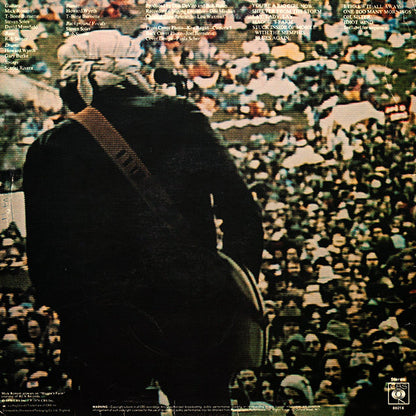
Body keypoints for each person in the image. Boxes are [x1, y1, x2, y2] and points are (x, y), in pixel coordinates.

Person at [23, 30, 263, 415]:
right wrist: (229, 283)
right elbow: (242, 211)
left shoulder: (51, 146)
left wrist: (78, 313)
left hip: (103, 322)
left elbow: (44, 258)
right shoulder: (182, 117)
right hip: (193, 309)